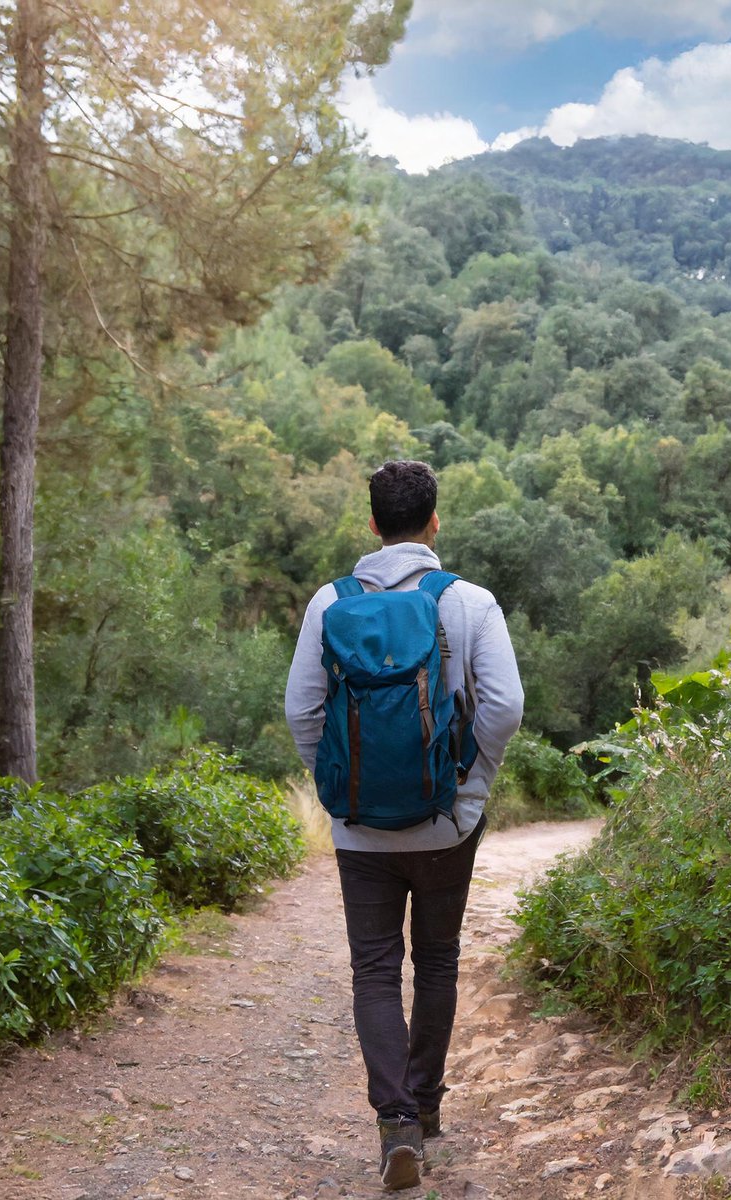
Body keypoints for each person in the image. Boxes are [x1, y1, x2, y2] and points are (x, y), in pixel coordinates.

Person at [284, 459, 524, 1191]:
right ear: (434, 522)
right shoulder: (470, 601)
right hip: (447, 823)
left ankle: (396, 1125)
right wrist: (469, 785)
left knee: (376, 969)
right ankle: (426, 1106)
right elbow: (504, 706)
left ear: (371, 525)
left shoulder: (330, 601)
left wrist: (340, 788)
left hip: (361, 830)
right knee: (439, 961)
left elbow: (303, 711)